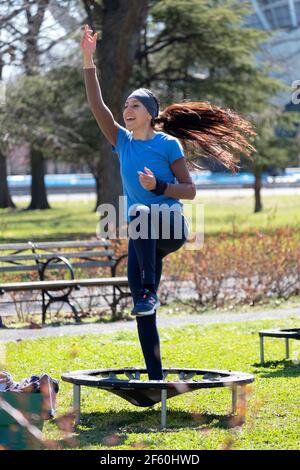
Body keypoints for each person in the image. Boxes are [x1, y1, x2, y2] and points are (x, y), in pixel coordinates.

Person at [80, 24, 256, 380]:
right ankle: (156, 377)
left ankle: (147, 292)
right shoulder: (122, 141)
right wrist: (88, 59)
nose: (126, 109)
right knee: (143, 308)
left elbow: (189, 191)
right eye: (125, 104)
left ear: (148, 112)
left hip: (171, 225)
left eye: (134, 104)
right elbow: (96, 104)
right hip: (144, 237)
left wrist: (159, 185)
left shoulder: (167, 144)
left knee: (140, 212)